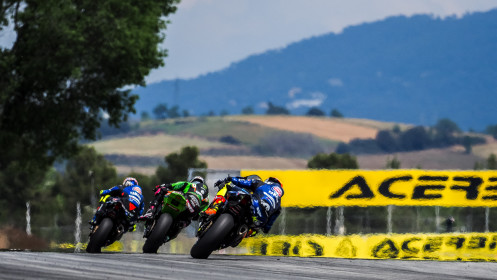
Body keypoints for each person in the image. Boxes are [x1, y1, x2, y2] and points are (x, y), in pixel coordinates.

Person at [206, 175, 284, 235]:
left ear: (269, 182)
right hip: (259, 220)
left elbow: (243, 182)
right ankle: (242, 234)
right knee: (254, 231)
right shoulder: (278, 205)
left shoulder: (261, 184)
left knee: (227, 186)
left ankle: (214, 208)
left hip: (252, 203)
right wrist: (265, 229)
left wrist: (229, 179)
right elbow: (268, 225)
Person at [139, 176, 210, 222]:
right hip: (191, 211)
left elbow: (171, 185)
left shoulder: (188, 184)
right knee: (188, 220)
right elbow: (203, 212)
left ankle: (150, 212)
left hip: (183, 202)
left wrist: (160, 187)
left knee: (161, 191)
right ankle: (171, 234)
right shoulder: (206, 198)